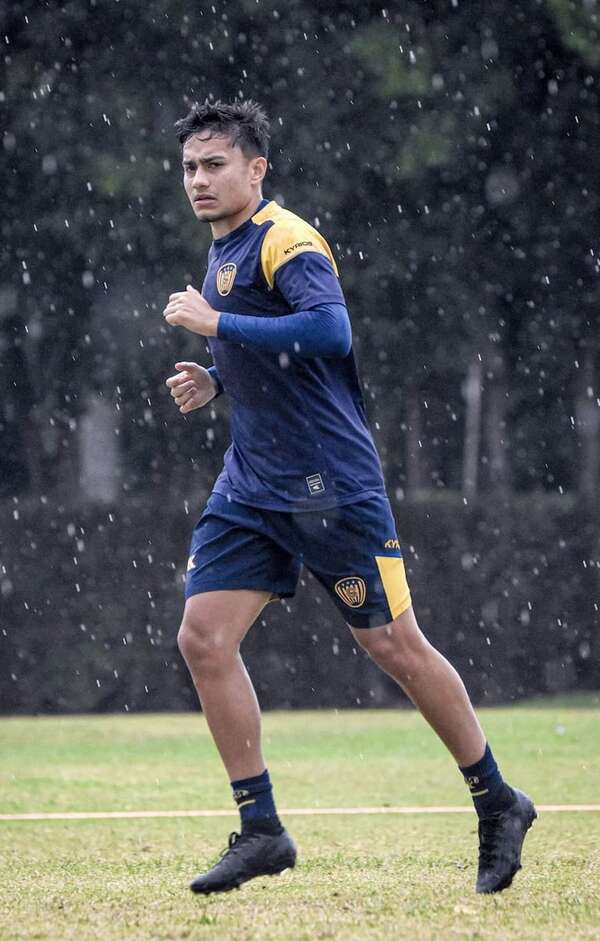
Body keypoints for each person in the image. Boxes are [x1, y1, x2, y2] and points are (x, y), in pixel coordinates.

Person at [162, 99, 536, 897]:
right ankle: (262, 829)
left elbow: (329, 332)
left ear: (256, 169)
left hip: (330, 485)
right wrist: (217, 376)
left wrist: (216, 326)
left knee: (395, 645)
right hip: (252, 483)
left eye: (214, 164)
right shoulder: (222, 249)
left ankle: (498, 800)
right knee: (203, 637)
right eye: (191, 166)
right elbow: (270, 346)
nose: (199, 179)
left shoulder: (287, 239)